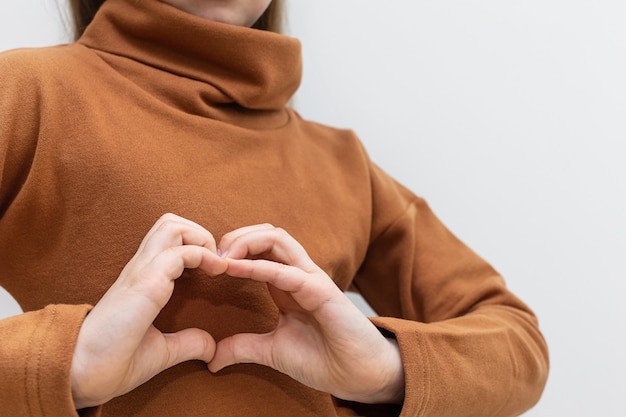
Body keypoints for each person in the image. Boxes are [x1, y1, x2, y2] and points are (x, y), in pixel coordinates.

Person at [0, 0, 549, 416]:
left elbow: (519, 344)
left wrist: (385, 369)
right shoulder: (26, 93)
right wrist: (63, 362)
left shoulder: (342, 163)